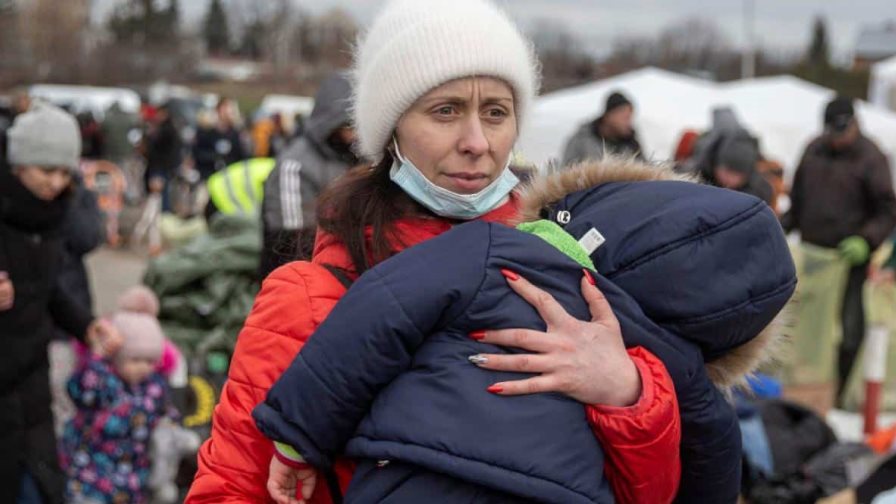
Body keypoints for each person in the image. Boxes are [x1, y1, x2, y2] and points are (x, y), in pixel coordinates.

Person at [188, 1, 792, 502]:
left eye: (496, 112)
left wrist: (627, 393)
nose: (477, 141)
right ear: (390, 131)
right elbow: (233, 487)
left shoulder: (582, 270)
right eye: (445, 110)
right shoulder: (310, 296)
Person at [0, 102, 122, 504]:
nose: (55, 182)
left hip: (32, 390)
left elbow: (48, 290)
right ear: (19, 164)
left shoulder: (52, 215)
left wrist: (86, 325)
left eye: (64, 172)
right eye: (45, 170)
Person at [783, 96, 896, 404]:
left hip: (849, 262)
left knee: (847, 331)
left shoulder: (871, 157)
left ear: (854, 125)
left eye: (842, 132)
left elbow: (888, 209)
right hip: (811, 257)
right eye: (832, 132)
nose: (837, 139)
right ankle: (802, 386)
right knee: (804, 327)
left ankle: (838, 393)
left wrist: (866, 240)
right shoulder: (813, 150)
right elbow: (798, 200)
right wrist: (781, 227)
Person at [60, 288, 174, 503]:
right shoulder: (101, 378)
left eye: (150, 361)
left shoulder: (154, 386)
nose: (143, 367)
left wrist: (170, 429)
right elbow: (78, 389)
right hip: (91, 475)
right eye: (135, 359)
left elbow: (166, 411)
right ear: (117, 356)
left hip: (132, 477)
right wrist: (95, 358)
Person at [259, 73, 358, 277]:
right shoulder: (295, 165)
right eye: (348, 125)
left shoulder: (356, 156)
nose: (354, 134)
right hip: (303, 276)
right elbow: (290, 242)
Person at [561, 90, 644, 166]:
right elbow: (566, 170)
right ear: (609, 115)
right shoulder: (581, 141)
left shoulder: (632, 144)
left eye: (629, 118)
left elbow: (645, 168)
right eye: (624, 117)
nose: (628, 122)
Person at [144, 103, 183, 213]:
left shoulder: (166, 130)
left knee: (161, 193)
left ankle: (164, 213)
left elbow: (159, 148)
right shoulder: (166, 128)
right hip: (162, 165)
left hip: (161, 166)